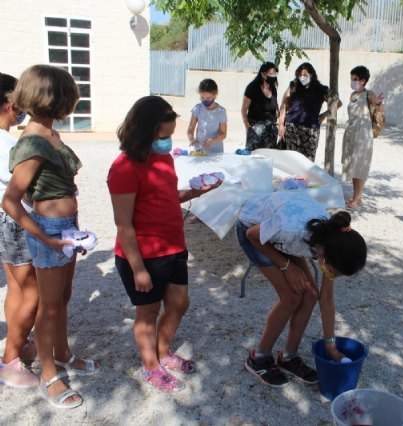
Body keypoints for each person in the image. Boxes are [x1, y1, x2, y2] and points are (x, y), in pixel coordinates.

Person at [108, 96, 222, 392]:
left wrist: (198, 191)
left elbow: (168, 198)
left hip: (174, 247)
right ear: (146, 131)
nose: (167, 142)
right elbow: (123, 223)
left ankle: (162, 352)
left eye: (169, 135)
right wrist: (138, 269)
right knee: (147, 313)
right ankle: (149, 367)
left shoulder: (164, 159)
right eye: (163, 136)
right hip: (143, 255)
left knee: (179, 303)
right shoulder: (124, 168)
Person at [3, 65, 99, 409]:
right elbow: (11, 201)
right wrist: (47, 237)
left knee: (64, 297)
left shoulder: (47, 133)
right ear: (57, 98)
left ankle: (62, 354)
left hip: (66, 228)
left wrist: (72, 231)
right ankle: (48, 374)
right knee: (50, 308)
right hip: (51, 233)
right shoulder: (32, 141)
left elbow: (42, 190)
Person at [237, 191, 367, 387]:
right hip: (254, 232)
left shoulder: (330, 240)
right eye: (335, 272)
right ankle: (259, 357)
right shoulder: (290, 230)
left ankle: (288, 357)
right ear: (324, 254)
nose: (334, 276)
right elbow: (252, 235)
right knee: (291, 297)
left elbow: (326, 299)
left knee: (311, 294)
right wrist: (287, 266)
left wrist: (330, 346)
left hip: (281, 234)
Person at [0, 72, 39, 388]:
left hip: (5, 225)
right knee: (32, 293)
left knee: (15, 286)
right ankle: (10, 361)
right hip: (16, 223)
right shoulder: (9, 145)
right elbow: (25, 192)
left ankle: (20, 343)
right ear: (11, 104)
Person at [341, 66, 384, 210]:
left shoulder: (369, 94)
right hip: (352, 131)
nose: (352, 81)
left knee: (361, 165)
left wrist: (377, 103)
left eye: (355, 79)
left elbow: (377, 107)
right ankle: (354, 196)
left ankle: (358, 199)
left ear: (363, 81)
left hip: (363, 132)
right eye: (351, 78)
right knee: (354, 165)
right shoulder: (353, 95)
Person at [278, 62, 329, 161]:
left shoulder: (321, 89)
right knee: (293, 160)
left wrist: (325, 114)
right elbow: (284, 104)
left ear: (312, 75)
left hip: (311, 130)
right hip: (292, 127)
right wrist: (280, 125)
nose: (302, 77)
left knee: (308, 162)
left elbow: (337, 103)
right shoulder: (294, 86)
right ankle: (293, 177)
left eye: (305, 75)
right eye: (300, 75)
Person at [241, 62, 279, 150]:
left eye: (275, 74)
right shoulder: (252, 88)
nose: (273, 76)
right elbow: (243, 110)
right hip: (256, 131)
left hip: (271, 132)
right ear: (263, 74)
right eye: (271, 74)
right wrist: (248, 127)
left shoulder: (273, 89)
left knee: (269, 158)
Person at [187, 78, 227, 154]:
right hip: (199, 150)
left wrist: (213, 140)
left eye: (208, 98)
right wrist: (192, 139)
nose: (205, 101)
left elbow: (223, 133)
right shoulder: (197, 108)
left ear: (215, 95)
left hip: (216, 152)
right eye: (202, 98)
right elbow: (190, 129)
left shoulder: (221, 111)